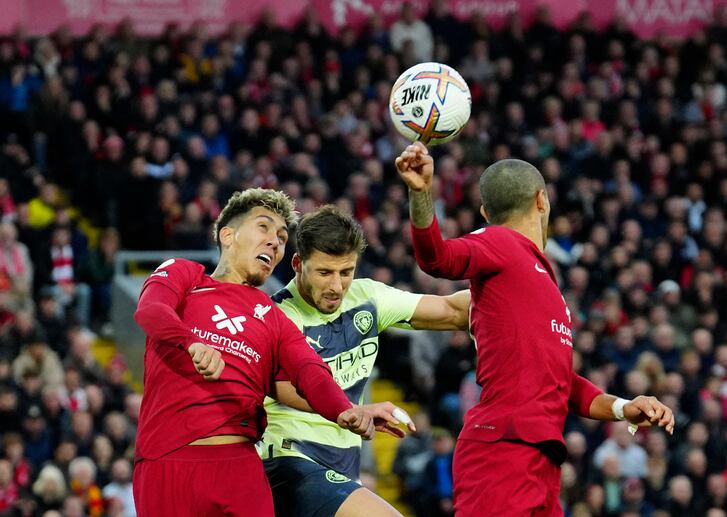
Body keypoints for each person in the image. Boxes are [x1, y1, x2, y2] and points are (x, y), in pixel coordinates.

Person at [396, 142, 675, 516]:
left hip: (540, 457)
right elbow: (437, 258)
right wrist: (420, 193)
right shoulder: (500, 242)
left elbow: (561, 382)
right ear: (541, 200)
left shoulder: (540, 278)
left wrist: (625, 408)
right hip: (503, 449)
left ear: (485, 210)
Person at [132, 188, 391, 517]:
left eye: (282, 237)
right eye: (264, 227)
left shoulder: (273, 318)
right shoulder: (186, 276)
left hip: (239, 469)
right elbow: (150, 310)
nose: (275, 241)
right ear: (228, 235)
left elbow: (310, 371)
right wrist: (190, 342)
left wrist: (343, 409)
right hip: (166, 460)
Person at [259, 205, 470, 517]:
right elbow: (279, 385)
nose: (336, 287)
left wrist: (521, 297)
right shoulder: (276, 316)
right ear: (297, 263)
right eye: (324, 272)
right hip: (289, 459)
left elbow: (453, 311)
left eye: (346, 272)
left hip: (343, 466)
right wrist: (351, 409)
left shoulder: (367, 298)